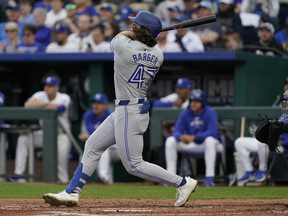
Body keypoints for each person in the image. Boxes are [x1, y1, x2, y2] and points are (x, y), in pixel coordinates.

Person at [43, 11, 198, 208]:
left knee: (134, 165)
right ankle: (72, 192)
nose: (132, 26)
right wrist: (144, 34)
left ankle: (183, 183)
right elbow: (143, 42)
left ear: (143, 31)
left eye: (136, 25)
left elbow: (122, 36)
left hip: (130, 111)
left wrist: (138, 33)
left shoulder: (123, 46)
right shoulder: (158, 54)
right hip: (129, 109)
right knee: (93, 145)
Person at [12, 76, 71, 183]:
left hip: (61, 135)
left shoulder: (64, 97)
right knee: (23, 140)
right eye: (46, 85)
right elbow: (27, 106)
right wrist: (46, 104)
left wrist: (39, 105)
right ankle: (19, 175)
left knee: (61, 164)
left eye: (50, 86)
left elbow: (60, 108)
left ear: (57, 88)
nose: (47, 88)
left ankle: (62, 183)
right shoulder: (40, 95)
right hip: (44, 134)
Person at [165, 89, 223, 186]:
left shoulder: (210, 112)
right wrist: (181, 136)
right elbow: (176, 131)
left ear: (202, 102)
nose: (194, 104)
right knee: (170, 140)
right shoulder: (185, 113)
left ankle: (209, 177)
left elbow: (213, 132)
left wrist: (194, 137)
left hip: (209, 145)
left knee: (210, 140)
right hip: (192, 144)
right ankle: (171, 178)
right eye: (192, 101)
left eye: (197, 101)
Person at [78, 93, 119, 183]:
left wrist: (89, 136)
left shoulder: (111, 115)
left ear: (105, 105)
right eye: (94, 102)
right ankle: (80, 180)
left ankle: (103, 177)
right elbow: (83, 134)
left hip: (115, 149)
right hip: (98, 147)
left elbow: (112, 136)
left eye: (99, 103)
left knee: (103, 147)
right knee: (86, 153)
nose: (96, 105)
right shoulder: (88, 115)